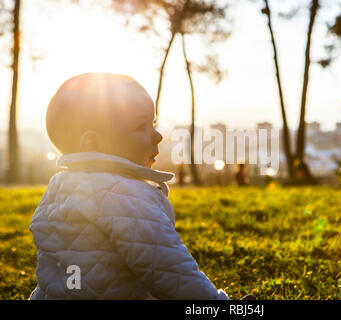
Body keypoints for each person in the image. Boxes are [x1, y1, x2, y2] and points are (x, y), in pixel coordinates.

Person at [28, 72, 229, 300]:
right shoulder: (124, 193)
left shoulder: (58, 186)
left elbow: (56, 267)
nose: (158, 135)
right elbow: (169, 268)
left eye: (153, 124)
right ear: (93, 144)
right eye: (140, 126)